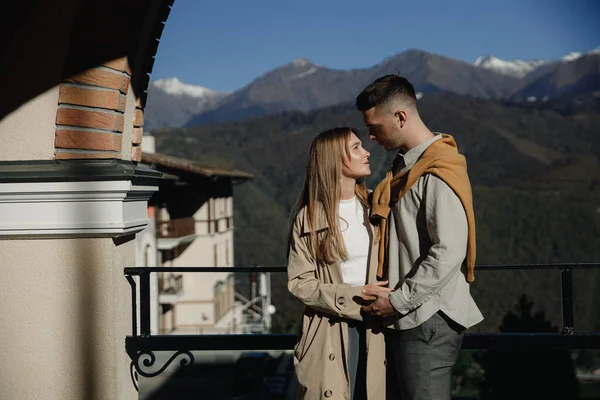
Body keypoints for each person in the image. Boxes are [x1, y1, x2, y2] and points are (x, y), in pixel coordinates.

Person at [355, 75, 484, 400]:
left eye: (376, 127)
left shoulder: (436, 172)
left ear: (401, 117)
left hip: (427, 316)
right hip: (411, 316)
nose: (370, 136)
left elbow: (448, 250)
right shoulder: (407, 169)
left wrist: (397, 301)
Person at [287, 127, 387, 400]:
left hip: (381, 325)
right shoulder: (308, 218)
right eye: (356, 148)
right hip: (329, 331)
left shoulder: (377, 208)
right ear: (335, 159)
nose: (366, 152)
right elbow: (300, 283)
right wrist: (358, 295)